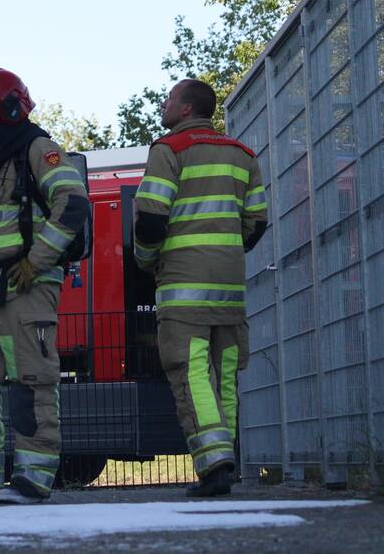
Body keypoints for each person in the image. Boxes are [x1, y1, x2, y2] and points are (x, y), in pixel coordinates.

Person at [0, 67, 89, 504]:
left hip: (27, 286)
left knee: (32, 380)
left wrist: (37, 260)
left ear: (8, 108)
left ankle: (34, 477)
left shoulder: (37, 148)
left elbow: (73, 202)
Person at [133, 79, 267, 498]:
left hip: (183, 286)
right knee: (225, 375)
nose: (164, 103)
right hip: (229, 286)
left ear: (187, 108)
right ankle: (224, 459)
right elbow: (257, 221)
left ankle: (213, 464)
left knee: (191, 374)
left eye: (169, 98)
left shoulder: (168, 150)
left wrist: (144, 259)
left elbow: (152, 219)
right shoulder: (243, 155)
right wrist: (226, 248)